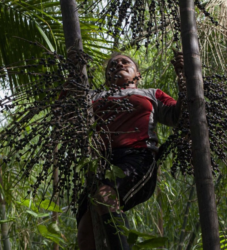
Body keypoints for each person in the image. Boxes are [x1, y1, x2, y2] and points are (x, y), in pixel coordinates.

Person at [77, 53, 184, 250]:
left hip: (137, 159)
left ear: (138, 75)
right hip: (100, 163)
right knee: (85, 233)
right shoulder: (92, 98)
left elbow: (180, 116)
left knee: (105, 195)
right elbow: (65, 112)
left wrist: (183, 79)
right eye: (113, 64)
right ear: (107, 78)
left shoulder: (152, 94)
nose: (118, 64)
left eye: (125, 62)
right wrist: (73, 76)